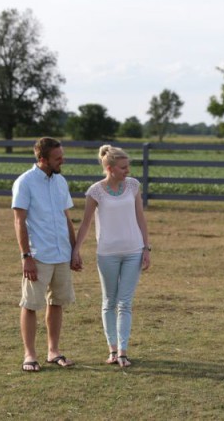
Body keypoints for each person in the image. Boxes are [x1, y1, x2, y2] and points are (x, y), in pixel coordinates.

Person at [72, 145, 151, 368]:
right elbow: (86, 223)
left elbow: (140, 218)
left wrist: (146, 248)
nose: (127, 171)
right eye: (123, 167)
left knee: (125, 303)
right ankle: (112, 350)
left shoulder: (133, 186)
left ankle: (124, 352)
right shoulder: (95, 191)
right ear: (110, 168)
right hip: (107, 254)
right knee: (109, 301)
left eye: (128, 167)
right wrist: (76, 249)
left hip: (133, 252)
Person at [12, 137, 78, 372]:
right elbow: (19, 221)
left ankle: (54, 351)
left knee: (57, 302)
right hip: (38, 255)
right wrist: (26, 256)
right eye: (58, 158)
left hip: (62, 253)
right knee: (30, 305)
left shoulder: (60, 181)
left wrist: (75, 249)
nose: (63, 161)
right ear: (42, 159)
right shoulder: (25, 183)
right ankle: (29, 355)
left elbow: (66, 218)